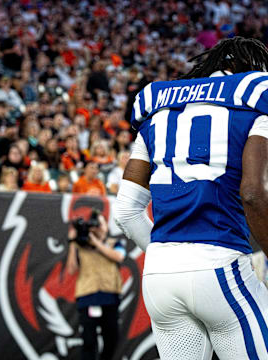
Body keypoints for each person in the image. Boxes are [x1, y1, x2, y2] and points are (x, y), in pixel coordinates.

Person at [114, 37, 268, 359]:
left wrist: (170, 258)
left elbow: (126, 211)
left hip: (159, 277)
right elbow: (253, 194)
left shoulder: (158, 112)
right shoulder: (254, 101)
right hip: (220, 265)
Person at [66, 211, 125, 360]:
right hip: (88, 297)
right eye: (94, 225)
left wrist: (96, 243)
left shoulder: (114, 243)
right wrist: (73, 243)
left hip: (110, 296)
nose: (97, 228)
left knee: (111, 338)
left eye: (99, 224)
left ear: (106, 226)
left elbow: (118, 256)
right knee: (89, 340)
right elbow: (71, 269)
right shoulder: (81, 245)